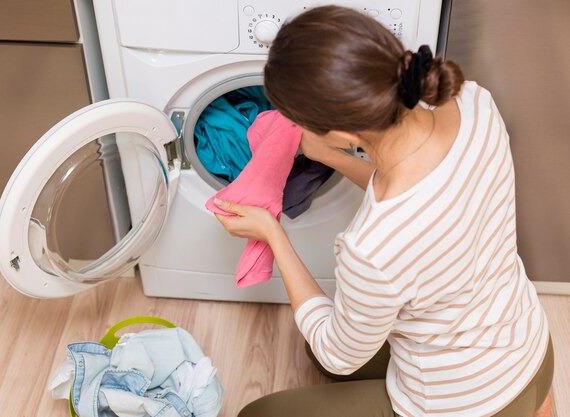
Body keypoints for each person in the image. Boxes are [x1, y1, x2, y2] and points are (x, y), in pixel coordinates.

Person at [213, 6, 553, 417]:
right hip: (530, 349)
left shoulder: (371, 249)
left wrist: (273, 233)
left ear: (342, 133)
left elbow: (339, 355)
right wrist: (332, 157)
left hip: (466, 404)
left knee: (261, 411)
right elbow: (424, 193)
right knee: (318, 346)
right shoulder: (474, 101)